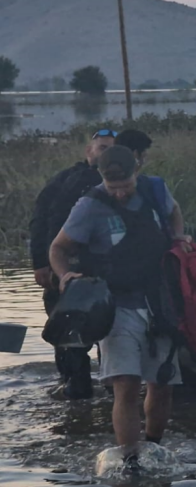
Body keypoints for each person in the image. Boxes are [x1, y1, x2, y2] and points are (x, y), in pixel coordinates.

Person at [49, 146, 192, 475]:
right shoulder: (89, 206)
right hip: (115, 306)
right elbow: (59, 247)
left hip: (159, 301)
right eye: (112, 187)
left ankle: (153, 446)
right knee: (125, 384)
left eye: (125, 185)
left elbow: (174, 212)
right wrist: (64, 274)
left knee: (162, 383)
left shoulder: (155, 189)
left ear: (136, 172)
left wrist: (178, 235)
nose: (120, 192)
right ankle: (130, 461)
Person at [30, 128, 117, 399]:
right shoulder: (66, 181)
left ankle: (107, 385)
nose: (107, 154)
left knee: (109, 331)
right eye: (102, 148)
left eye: (113, 149)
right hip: (67, 269)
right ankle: (75, 387)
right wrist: (41, 263)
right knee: (69, 334)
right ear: (88, 152)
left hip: (106, 272)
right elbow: (41, 220)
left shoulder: (124, 184)